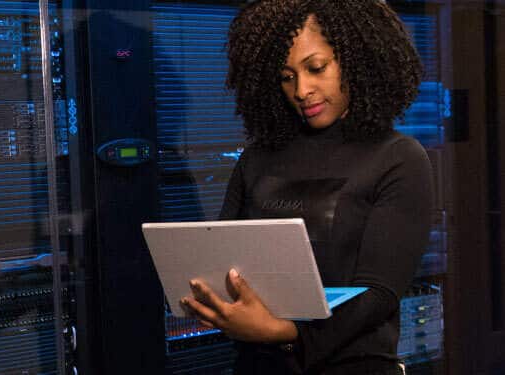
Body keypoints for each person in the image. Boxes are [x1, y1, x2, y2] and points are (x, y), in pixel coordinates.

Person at [179, 0, 434, 374]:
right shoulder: (257, 158)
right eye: (286, 76)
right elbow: (222, 257)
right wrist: (212, 302)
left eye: (316, 68)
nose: (302, 90)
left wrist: (285, 332)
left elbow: (379, 293)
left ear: (356, 60)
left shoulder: (398, 157)